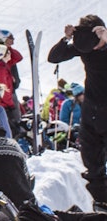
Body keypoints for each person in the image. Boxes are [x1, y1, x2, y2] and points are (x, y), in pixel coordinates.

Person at [48, 14, 107, 210]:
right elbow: (54, 57)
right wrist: (67, 37)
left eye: (98, 43)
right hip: (92, 109)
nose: (96, 48)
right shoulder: (86, 47)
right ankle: (101, 202)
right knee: (91, 158)